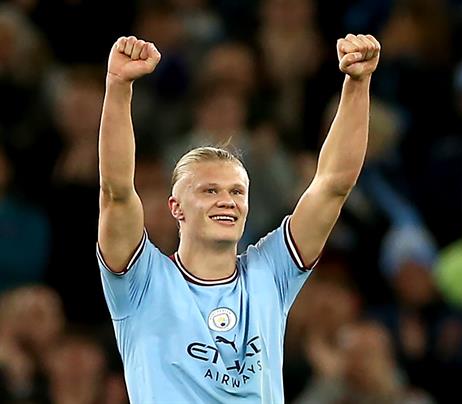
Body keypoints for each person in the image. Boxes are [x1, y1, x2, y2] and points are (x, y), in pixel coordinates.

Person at [96, 33, 380, 403]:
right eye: (209, 191)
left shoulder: (270, 272)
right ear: (175, 208)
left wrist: (357, 83)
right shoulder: (141, 282)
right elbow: (116, 191)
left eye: (236, 192)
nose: (227, 201)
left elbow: (333, 185)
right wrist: (118, 86)